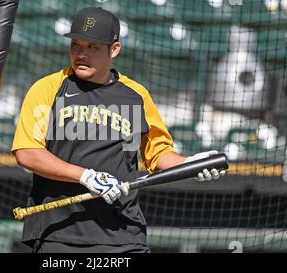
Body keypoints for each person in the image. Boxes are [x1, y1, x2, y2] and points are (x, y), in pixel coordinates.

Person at [12, 7, 225, 253]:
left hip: (123, 234)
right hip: (61, 234)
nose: (81, 54)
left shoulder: (136, 95)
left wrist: (189, 164)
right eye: (76, 45)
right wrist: (85, 176)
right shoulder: (48, 88)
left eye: (92, 47)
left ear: (114, 50)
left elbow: (157, 155)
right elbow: (27, 153)